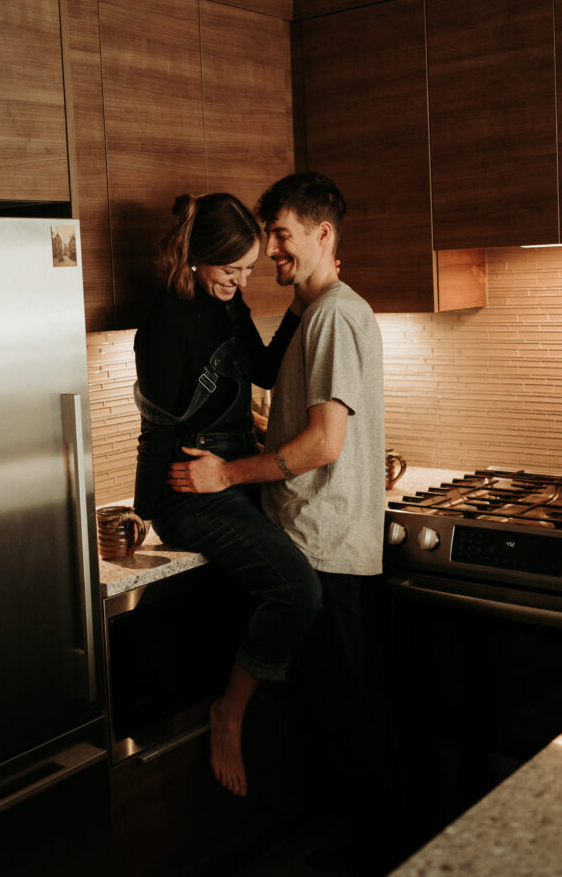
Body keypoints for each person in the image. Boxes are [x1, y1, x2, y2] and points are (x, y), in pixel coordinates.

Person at [168, 173, 394, 873]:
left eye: (281, 235)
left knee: (344, 723)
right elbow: (304, 412)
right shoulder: (320, 310)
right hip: (322, 537)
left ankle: (375, 856)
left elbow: (322, 444)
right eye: (265, 237)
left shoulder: (332, 316)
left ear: (323, 234)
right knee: (333, 719)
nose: (271, 250)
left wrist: (226, 473)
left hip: (321, 549)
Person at [133, 191, 322, 799]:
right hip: (191, 485)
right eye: (229, 270)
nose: (239, 282)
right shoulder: (162, 325)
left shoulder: (231, 304)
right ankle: (229, 713)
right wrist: (148, 509)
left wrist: (300, 302)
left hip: (233, 469)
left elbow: (263, 371)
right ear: (194, 258)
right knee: (298, 589)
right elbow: (160, 426)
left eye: (247, 271)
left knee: (296, 586)